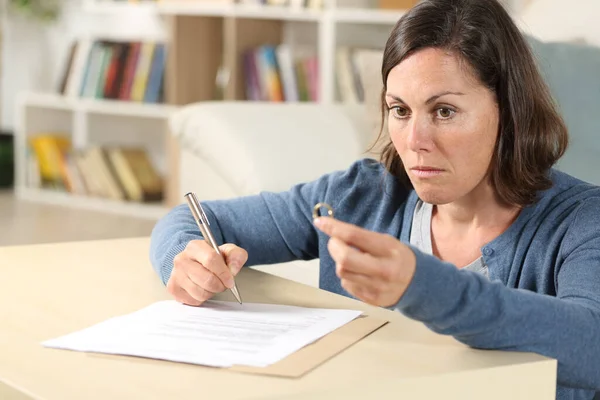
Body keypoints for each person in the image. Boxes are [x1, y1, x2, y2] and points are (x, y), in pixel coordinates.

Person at [149, 0, 600, 398]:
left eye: (444, 111)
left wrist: (421, 286)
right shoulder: (361, 196)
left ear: (510, 111)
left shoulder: (582, 221)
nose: (415, 140)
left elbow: (591, 344)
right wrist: (184, 261)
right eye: (400, 110)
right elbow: (194, 218)